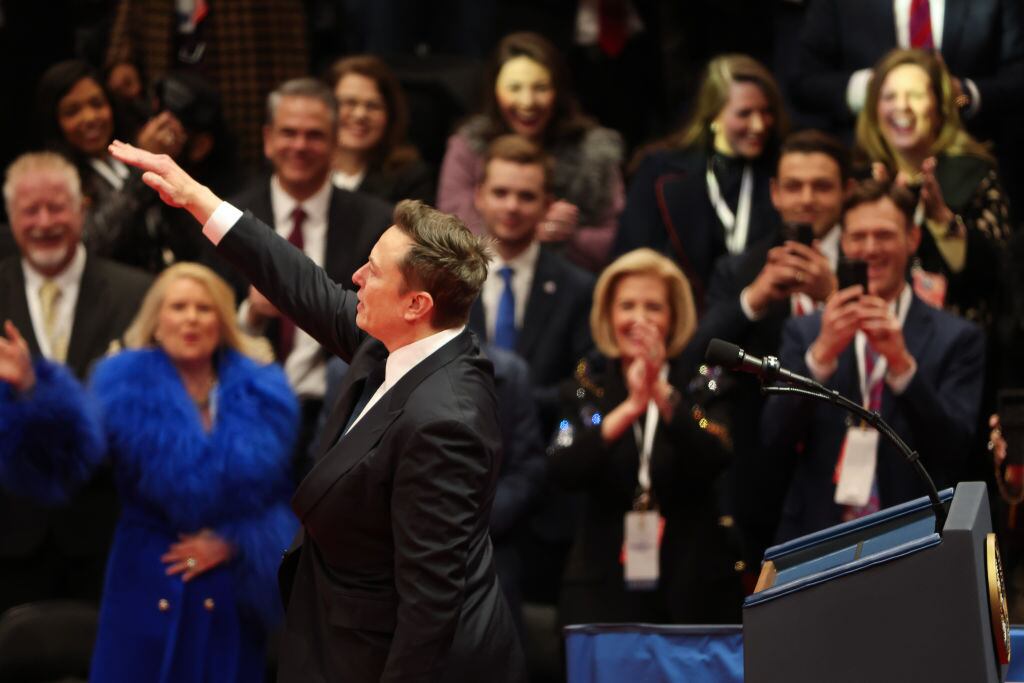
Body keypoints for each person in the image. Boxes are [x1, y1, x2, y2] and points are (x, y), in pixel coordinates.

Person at [108, 140, 527, 681]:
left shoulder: (445, 420)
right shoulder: (399, 342)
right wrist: (197, 199)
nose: (355, 278)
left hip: (390, 660)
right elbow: (299, 282)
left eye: (373, 272)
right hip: (339, 635)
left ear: (415, 305)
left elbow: (431, 605)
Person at [0, 262, 299, 680]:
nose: (191, 318)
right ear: (156, 321)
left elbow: (283, 498)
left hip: (230, 593)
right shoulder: (120, 387)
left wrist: (236, 541)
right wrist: (31, 391)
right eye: (178, 307)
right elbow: (68, 460)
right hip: (147, 579)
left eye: (204, 307)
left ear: (223, 322)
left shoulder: (266, 393)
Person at [761, 179, 984, 541]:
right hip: (820, 534)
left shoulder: (957, 337)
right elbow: (773, 440)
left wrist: (902, 366)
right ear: (843, 243)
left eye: (884, 235)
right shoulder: (804, 332)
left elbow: (955, 450)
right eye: (858, 237)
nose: (869, 249)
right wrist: (820, 356)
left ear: (912, 239)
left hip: (918, 534)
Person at [549, 247, 743, 626]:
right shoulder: (587, 383)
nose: (639, 319)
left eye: (653, 307)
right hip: (601, 583)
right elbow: (563, 468)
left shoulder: (702, 380)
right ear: (608, 314)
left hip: (693, 580)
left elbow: (716, 455)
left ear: (674, 317)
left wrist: (661, 395)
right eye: (627, 306)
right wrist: (630, 407)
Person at [691, 129, 853, 569]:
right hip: (763, 470)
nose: (807, 199)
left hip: (850, 457)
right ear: (775, 193)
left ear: (846, 191)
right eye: (794, 186)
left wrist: (834, 294)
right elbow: (698, 352)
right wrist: (754, 298)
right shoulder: (740, 267)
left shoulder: (870, 258)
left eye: (821, 186)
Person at [0, 151, 151, 614]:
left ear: (82, 209)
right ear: (10, 216)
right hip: (9, 533)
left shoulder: (139, 294)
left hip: (107, 528)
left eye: (57, 207)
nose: (45, 222)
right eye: (31, 210)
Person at [232, 77, 393, 476]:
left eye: (315, 135)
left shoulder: (377, 222)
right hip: (244, 413)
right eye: (288, 133)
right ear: (268, 139)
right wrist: (250, 315)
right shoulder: (229, 217)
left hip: (341, 415)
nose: (300, 146)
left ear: (336, 143)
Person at [437, 31, 625, 273]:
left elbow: (618, 238)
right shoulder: (468, 145)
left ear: (558, 91)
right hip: (483, 283)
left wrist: (569, 236)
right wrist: (520, 229)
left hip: (573, 289)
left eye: (540, 88)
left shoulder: (595, 151)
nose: (528, 102)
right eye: (514, 87)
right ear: (494, 91)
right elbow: (448, 232)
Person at [614, 54, 789, 310]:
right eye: (744, 113)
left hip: (762, 318)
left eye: (766, 112)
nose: (759, 125)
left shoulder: (782, 171)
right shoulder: (659, 170)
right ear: (713, 115)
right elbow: (631, 257)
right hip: (681, 321)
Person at [855, 48, 1011, 332]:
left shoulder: (975, 175)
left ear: (939, 111)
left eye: (915, 95)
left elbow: (996, 276)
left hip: (956, 347)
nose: (902, 106)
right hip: (871, 343)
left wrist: (941, 219)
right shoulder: (861, 182)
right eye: (890, 96)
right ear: (875, 110)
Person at [467, 134, 594, 427]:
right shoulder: (445, 280)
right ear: (479, 197)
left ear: (547, 204)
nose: (512, 206)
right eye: (500, 193)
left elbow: (585, 384)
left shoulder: (577, 289)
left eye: (526, 196)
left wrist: (518, 404)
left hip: (542, 442)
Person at [35, 60, 203, 273]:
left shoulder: (127, 151)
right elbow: (91, 244)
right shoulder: (52, 178)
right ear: (55, 121)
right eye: (72, 111)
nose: (89, 118)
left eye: (97, 104)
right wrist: (143, 168)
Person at [105, 0, 309, 169]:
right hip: (172, 71)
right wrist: (123, 55)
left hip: (250, 69)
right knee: (168, 163)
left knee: (248, 164)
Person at [327, 55, 434, 204]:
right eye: (349, 103)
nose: (360, 115)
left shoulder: (410, 178)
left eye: (373, 106)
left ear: (390, 114)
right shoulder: (303, 168)